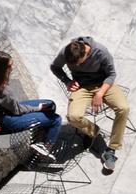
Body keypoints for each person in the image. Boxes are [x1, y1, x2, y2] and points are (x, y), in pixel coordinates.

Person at [51, 36, 129, 174]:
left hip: (103, 84)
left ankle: (111, 149)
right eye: (74, 65)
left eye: (80, 63)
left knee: (123, 108)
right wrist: (67, 81)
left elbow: (111, 75)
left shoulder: (101, 52)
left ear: (86, 53)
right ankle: (94, 131)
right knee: (73, 117)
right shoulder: (67, 52)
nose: (77, 66)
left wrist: (99, 94)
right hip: (82, 87)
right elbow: (55, 67)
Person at [0, 46, 60, 159]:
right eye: (9, 66)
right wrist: (39, 108)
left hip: (0, 113)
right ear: (1, 70)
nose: (12, 68)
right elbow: (17, 110)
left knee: (50, 104)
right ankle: (43, 152)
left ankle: (39, 142)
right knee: (56, 119)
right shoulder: (3, 90)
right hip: (7, 121)